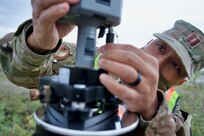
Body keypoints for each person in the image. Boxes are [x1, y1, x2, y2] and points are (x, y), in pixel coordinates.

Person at [0, 0, 204, 135]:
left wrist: (151, 110)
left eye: (175, 66)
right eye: (160, 47)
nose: (157, 61)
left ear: (182, 81)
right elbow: (21, 73)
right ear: (149, 41)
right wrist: (38, 44)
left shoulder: (173, 112)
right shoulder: (94, 59)